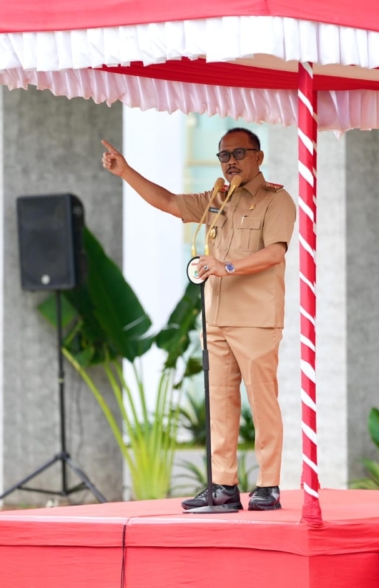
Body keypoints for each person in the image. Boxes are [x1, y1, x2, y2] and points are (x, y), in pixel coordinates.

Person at [101, 127, 295, 511]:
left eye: (239, 153)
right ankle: (223, 486)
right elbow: (169, 201)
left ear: (258, 157)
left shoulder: (277, 200)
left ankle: (268, 485)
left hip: (255, 320)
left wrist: (227, 265)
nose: (230, 162)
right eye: (224, 155)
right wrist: (125, 171)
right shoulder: (217, 199)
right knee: (219, 403)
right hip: (216, 320)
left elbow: (275, 252)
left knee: (262, 401)